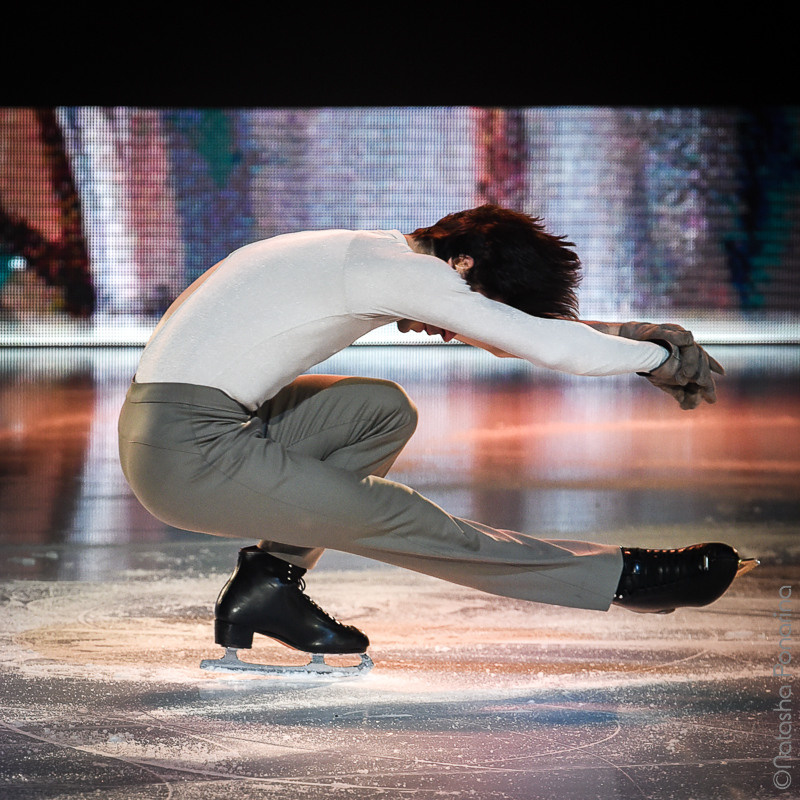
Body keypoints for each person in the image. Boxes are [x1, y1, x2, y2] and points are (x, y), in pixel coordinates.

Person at [118, 205, 753, 672]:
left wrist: (628, 335)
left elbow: (502, 327)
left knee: (377, 410)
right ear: (463, 265)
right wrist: (653, 361)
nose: (449, 331)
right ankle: (623, 578)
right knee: (395, 514)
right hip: (187, 454)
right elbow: (529, 339)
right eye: (466, 309)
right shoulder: (401, 271)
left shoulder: (376, 256)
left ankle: (269, 587)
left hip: (178, 429)